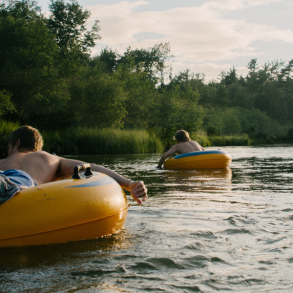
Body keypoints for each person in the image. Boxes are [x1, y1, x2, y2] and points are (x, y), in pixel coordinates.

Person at [0, 126, 147, 205]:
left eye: (8, 148)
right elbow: (91, 167)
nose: (8, 154)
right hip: (19, 183)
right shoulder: (47, 158)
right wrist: (128, 184)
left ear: (17, 143)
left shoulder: (3, 162)